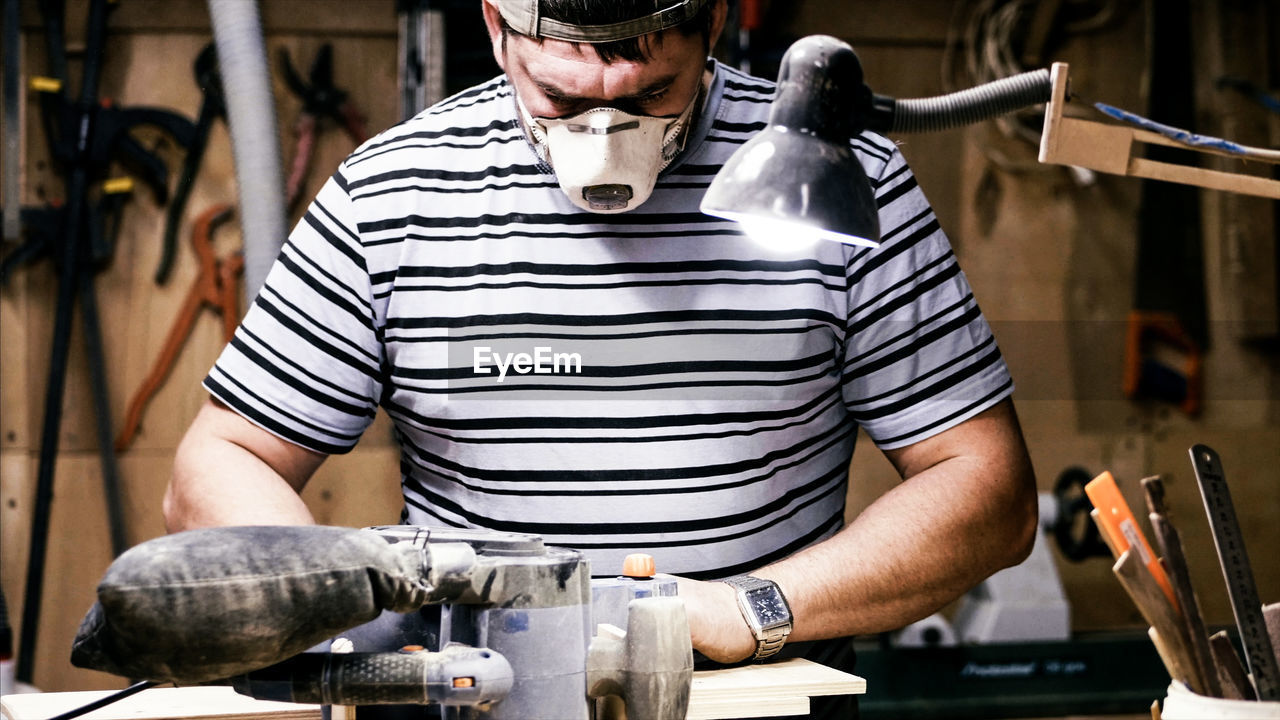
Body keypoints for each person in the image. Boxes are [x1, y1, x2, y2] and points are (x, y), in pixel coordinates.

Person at [165, 0, 1037, 714]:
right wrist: (334, 602)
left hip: (755, 701)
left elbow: (988, 492)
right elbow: (219, 458)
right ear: (497, 28)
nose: (607, 132)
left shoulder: (835, 184)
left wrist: (752, 609)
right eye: (563, 99)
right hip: (478, 700)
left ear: (717, 25)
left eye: (654, 91)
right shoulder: (395, 193)